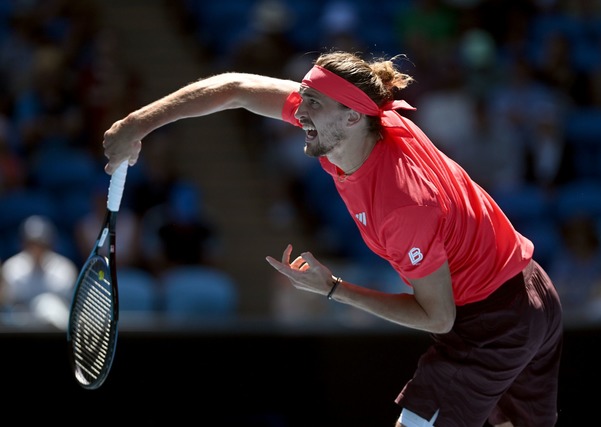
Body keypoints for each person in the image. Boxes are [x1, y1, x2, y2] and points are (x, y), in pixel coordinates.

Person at [102, 50, 563, 427]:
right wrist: (135, 125)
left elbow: (439, 317)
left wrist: (333, 289)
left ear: (350, 117)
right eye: (301, 98)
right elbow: (234, 89)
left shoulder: (400, 202)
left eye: (312, 105)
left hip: (491, 323)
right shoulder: (362, 124)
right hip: (533, 290)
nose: (298, 112)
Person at [0, 215, 77, 329]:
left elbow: (67, 305)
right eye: (31, 243)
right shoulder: (12, 267)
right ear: (23, 243)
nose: (36, 248)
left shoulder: (63, 268)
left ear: (50, 244)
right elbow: (7, 304)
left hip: (55, 331)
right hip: (20, 330)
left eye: (40, 243)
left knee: (48, 305)